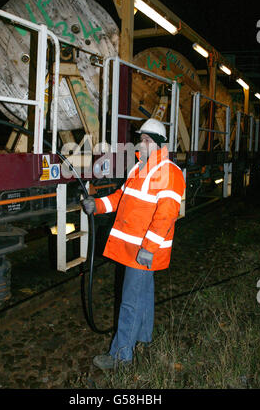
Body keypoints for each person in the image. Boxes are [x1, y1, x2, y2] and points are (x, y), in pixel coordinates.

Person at [81, 118, 186, 370]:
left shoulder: (168, 172)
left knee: (130, 301)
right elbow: (122, 197)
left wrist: (149, 248)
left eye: (146, 140)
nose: (141, 142)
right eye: (141, 139)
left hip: (143, 251)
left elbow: (167, 214)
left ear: (158, 143)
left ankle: (121, 356)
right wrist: (97, 205)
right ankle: (143, 338)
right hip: (134, 249)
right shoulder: (139, 168)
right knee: (143, 295)